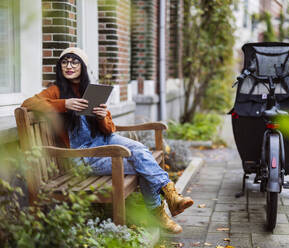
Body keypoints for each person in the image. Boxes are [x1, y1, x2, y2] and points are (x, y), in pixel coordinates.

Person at [21, 47, 193, 234]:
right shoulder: (55, 91)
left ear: (83, 67)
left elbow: (110, 129)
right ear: (60, 66)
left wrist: (102, 116)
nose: (69, 66)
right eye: (65, 62)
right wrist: (65, 104)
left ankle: (170, 196)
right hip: (84, 155)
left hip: (106, 140)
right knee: (143, 164)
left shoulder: (91, 90)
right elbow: (27, 104)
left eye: (74, 62)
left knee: (141, 150)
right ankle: (163, 209)